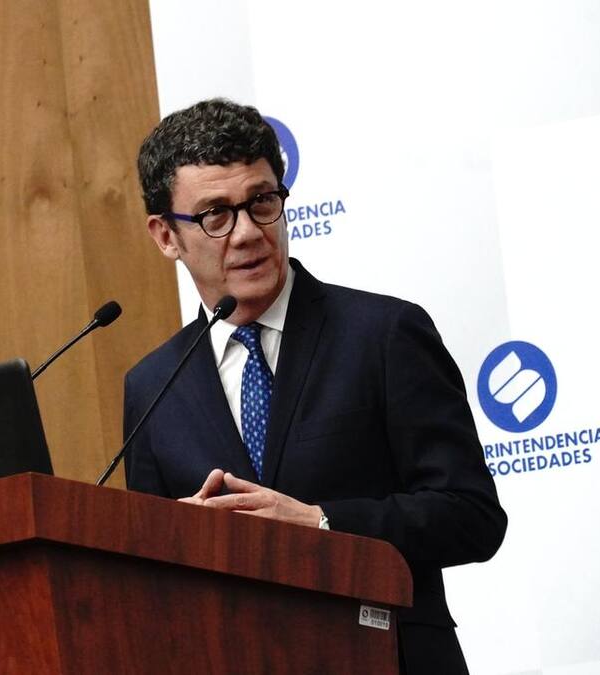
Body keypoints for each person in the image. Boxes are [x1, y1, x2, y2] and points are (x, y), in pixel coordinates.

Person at [123, 98, 506, 674]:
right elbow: (147, 590)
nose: (247, 233)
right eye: (215, 215)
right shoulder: (153, 386)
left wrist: (322, 524)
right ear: (165, 235)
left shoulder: (384, 335)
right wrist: (175, 541)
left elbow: (471, 516)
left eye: (261, 202)